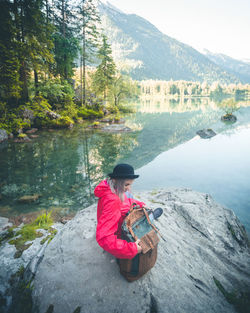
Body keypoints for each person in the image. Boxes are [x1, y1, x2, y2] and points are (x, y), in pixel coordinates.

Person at [94, 163, 145, 259]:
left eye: (130, 184)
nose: (129, 188)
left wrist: (140, 204)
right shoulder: (113, 201)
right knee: (145, 220)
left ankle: (150, 214)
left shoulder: (110, 188)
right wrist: (132, 248)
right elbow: (104, 238)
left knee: (130, 196)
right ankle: (152, 216)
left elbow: (125, 200)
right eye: (126, 184)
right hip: (118, 233)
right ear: (115, 180)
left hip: (115, 219)